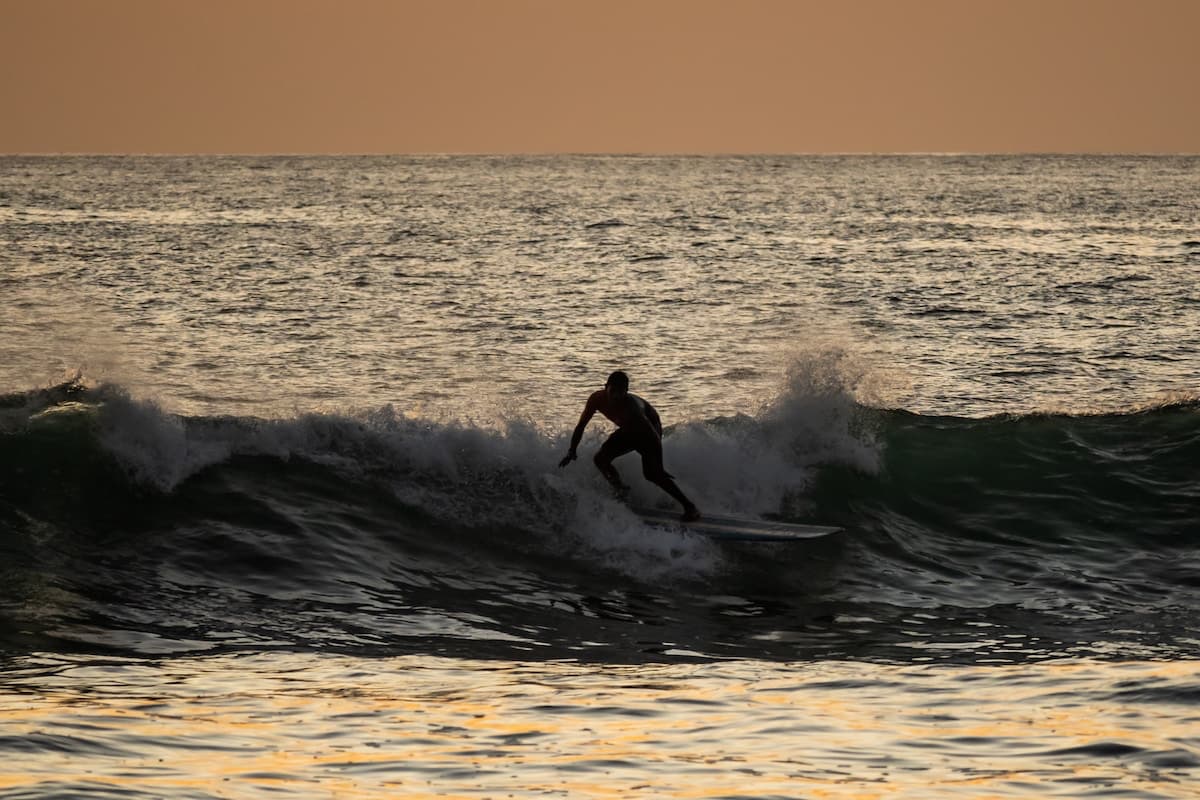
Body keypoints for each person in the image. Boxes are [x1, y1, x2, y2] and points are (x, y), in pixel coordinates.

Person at [559, 370, 701, 521]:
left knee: (652, 474)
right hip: (627, 429)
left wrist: (659, 465)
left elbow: (653, 436)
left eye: (620, 393)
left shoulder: (632, 408)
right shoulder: (596, 399)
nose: (615, 396)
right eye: (613, 391)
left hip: (649, 430)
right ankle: (621, 490)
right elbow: (581, 425)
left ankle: (690, 507)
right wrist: (572, 450)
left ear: (626, 392)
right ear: (606, 387)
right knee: (600, 459)